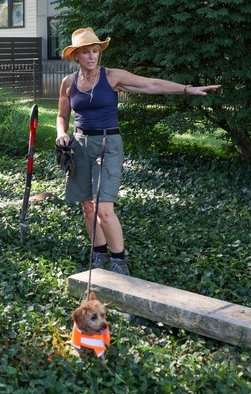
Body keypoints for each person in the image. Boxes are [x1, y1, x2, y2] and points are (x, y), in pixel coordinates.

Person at [56, 27, 220, 275]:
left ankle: (119, 261)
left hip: (107, 144)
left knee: (104, 208)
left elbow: (151, 84)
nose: (92, 56)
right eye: (86, 52)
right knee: (87, 206)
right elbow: (61, 115)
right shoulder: (68, 83)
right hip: (79, 145)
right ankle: (98, 253)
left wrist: (188, 89)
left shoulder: (111, 77)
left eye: (95, 51)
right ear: (76, 55)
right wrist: (61, 133)